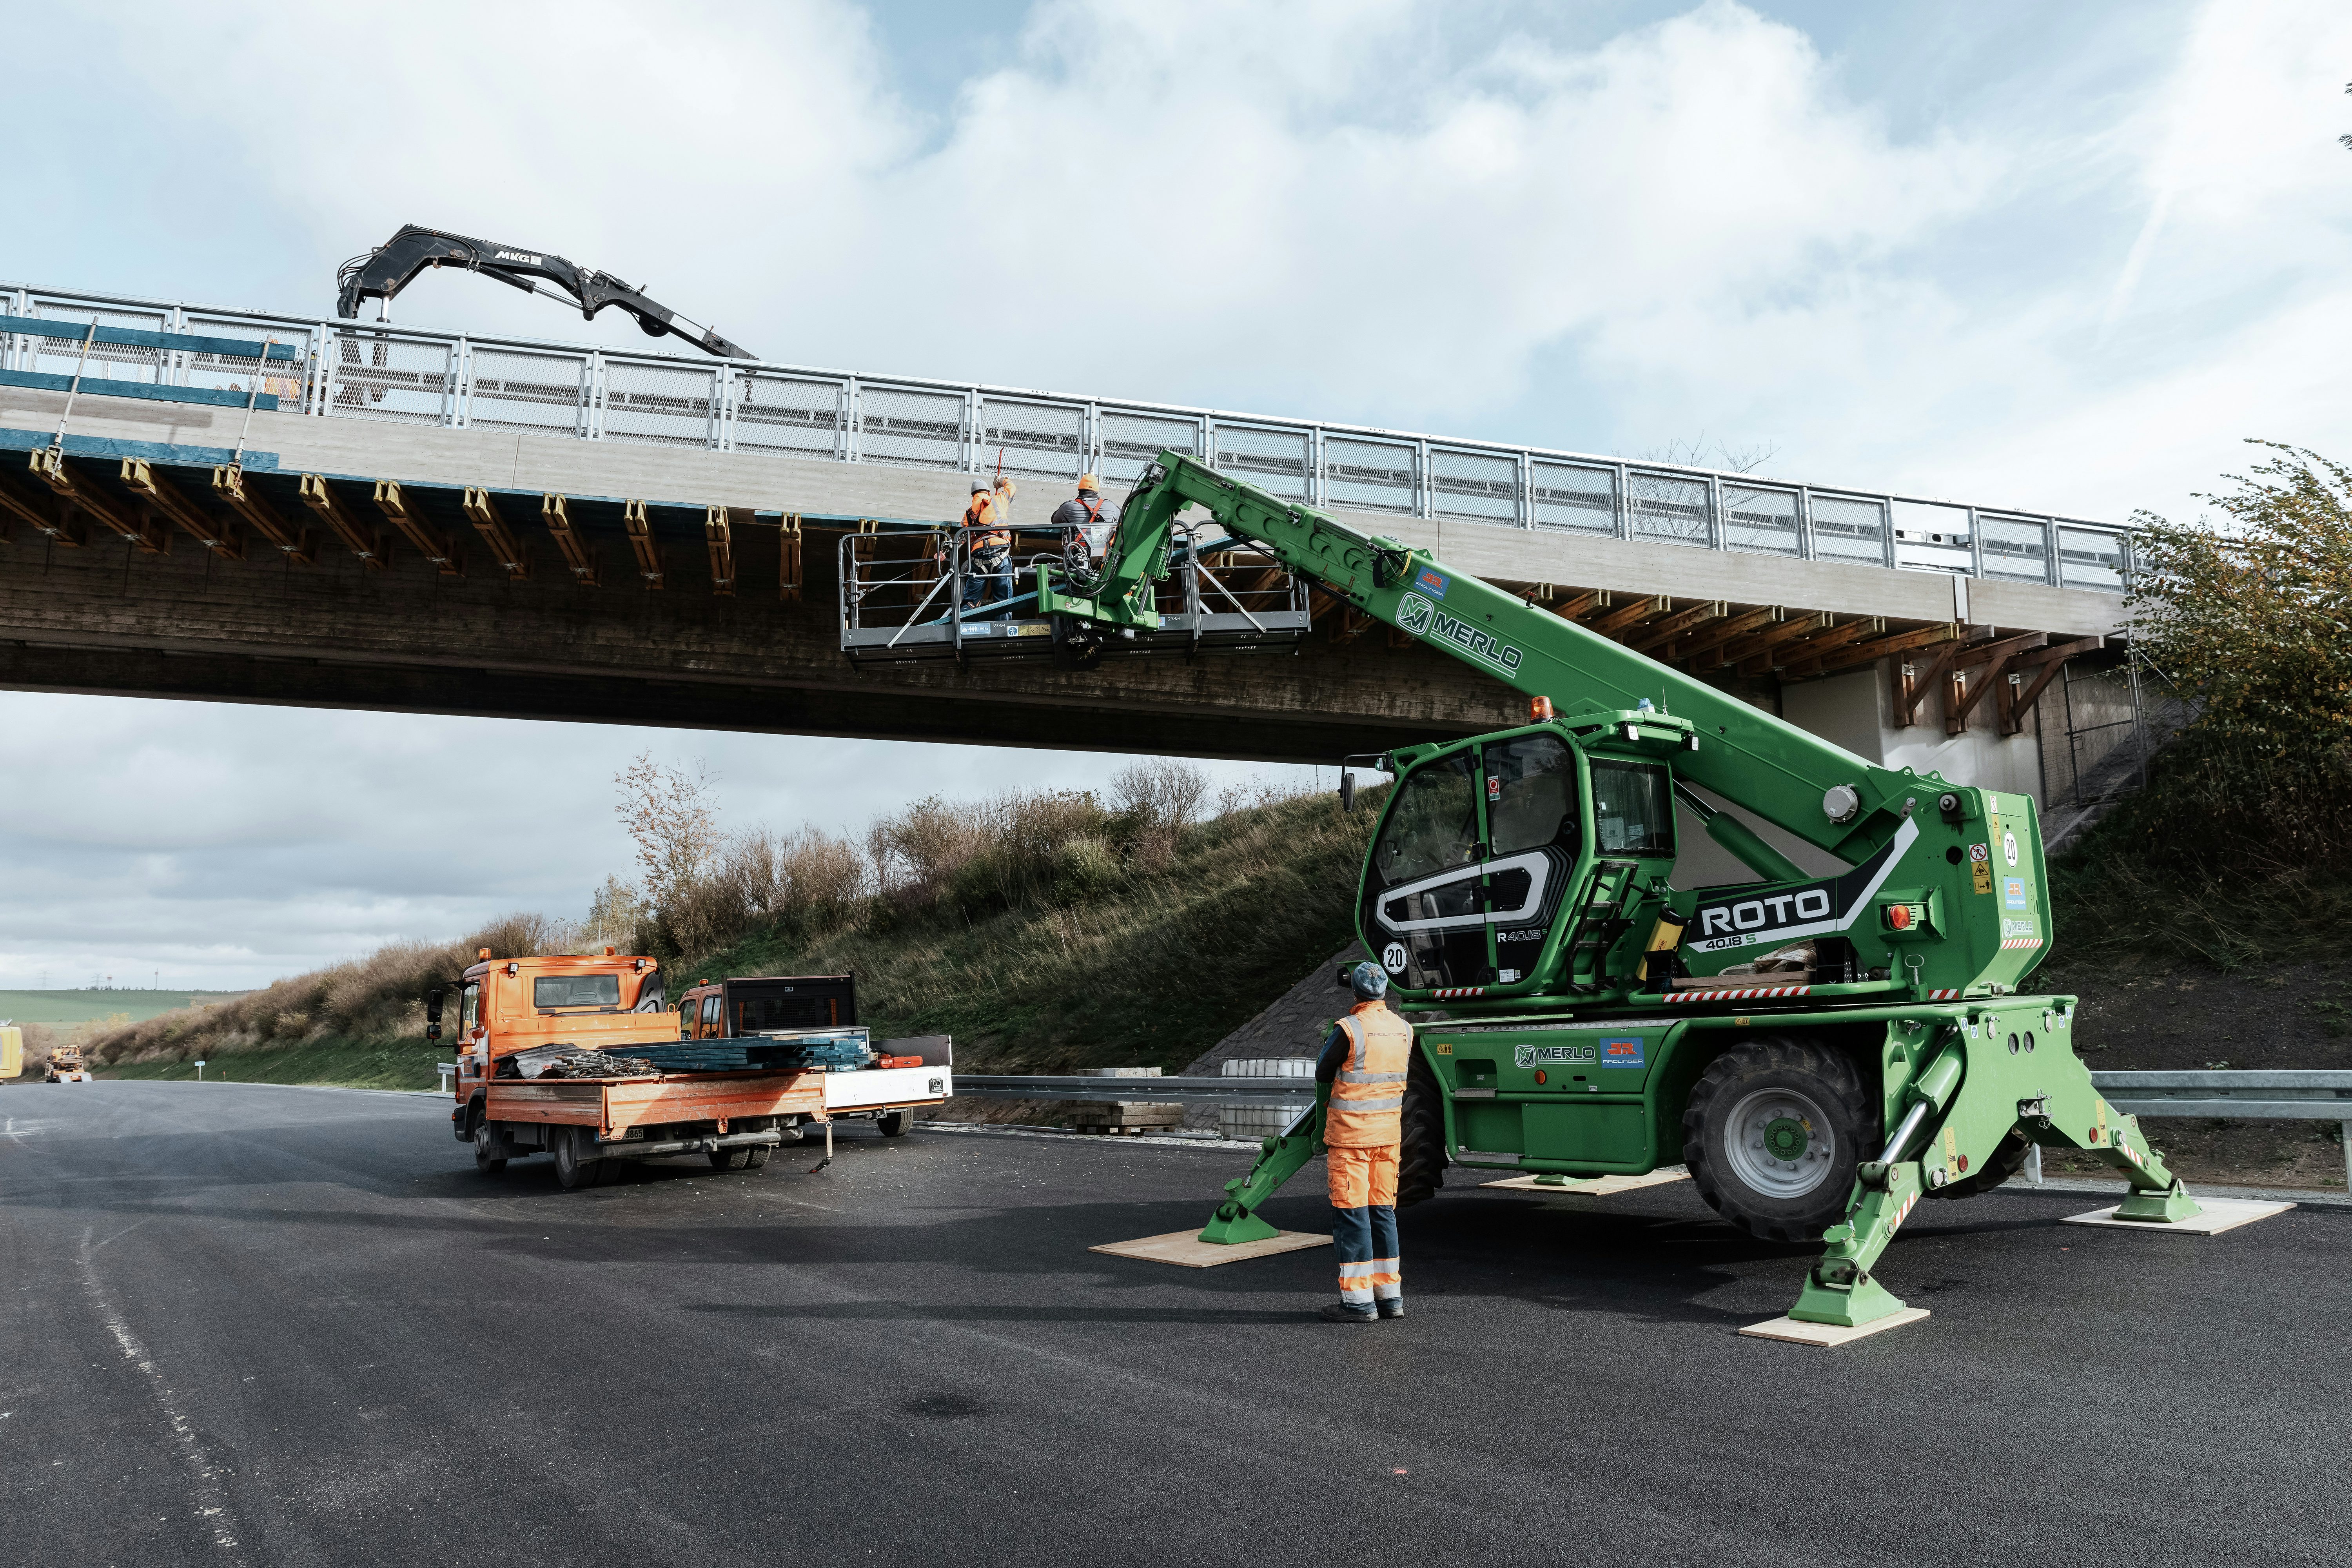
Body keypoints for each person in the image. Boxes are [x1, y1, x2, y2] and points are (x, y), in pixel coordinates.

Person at [1313, 961, 1411, 1322]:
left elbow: (1324, 1070)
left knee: (1352, 1217)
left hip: (1352, 1138)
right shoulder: (1404, 1029)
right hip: (1389, 1138)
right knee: (1383, 1213)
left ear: (1355, 993)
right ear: (1385, 991)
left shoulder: (1350, 1028)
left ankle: (1357, 1304)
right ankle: (1390, 1298)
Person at [961, 479, 1013, 608]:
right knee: (1003, 602)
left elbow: (963, 537)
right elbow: (1011, 488)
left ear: (973, 496)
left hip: (978, 558)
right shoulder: (998, 500)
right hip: (1000, 553)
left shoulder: (968, 514)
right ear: (988, 493)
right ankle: (1003, 628)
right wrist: (1001, 481)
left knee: (971, 602)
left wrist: (942, 552)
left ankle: (961, 621)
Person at [1051, 473, 1114, 563]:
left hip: (1077, 557)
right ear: (1097, 491)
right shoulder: (1111, 506)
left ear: (1080, 490)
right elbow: (1122, 520)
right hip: (1105, 559)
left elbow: (1054, 520)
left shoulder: (1068, 507)